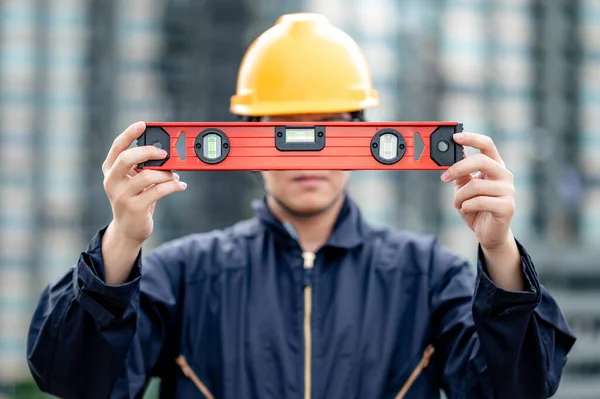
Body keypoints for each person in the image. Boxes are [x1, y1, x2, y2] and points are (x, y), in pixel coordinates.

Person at [27, 13, 575, 399]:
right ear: (244, 139)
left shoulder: (427, 277)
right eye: (284, 127)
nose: (306, 148)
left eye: (329, 126)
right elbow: (75, 380)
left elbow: (519, 387)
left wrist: (500, 253)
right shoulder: (185, 275)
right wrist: (120, 242)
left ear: (364, 134)